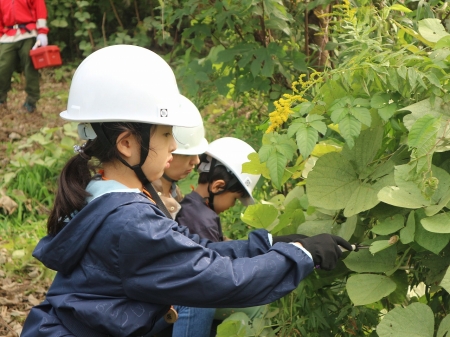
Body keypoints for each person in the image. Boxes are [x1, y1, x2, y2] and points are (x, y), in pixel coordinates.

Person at [20, 44, 352, 337]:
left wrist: (268, 245)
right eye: (166, 134)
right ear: (126, 144)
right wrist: (302, 256)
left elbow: (193, 251)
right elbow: (221, 279)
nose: (175, 145)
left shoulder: (101, 191)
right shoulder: (130, 221)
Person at [0, 0, 49, 113]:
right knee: (3, 67)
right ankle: (1, 100)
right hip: (8, 36)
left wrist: (42, 32)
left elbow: (39, 8)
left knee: (30, 68)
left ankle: (31, 102)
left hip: (28, 34)